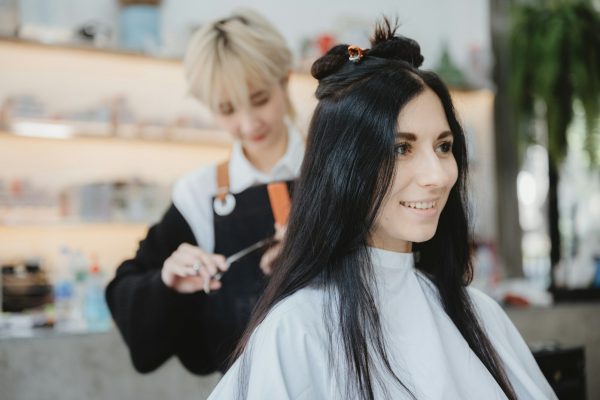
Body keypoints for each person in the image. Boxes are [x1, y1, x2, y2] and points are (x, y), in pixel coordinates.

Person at [207, 19, 557, 400]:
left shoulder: (479, 314)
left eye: (443, 146)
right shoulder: (297, 330)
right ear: (344, 166)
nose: (438, 175)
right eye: (401, 149)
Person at [105, 9, 304, 375]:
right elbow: (129, 292)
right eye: (227, 109)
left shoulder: (335, 168)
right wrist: (168, 281)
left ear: (285, 79)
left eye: (259, 99)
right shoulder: (199, 194)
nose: (247, 123)